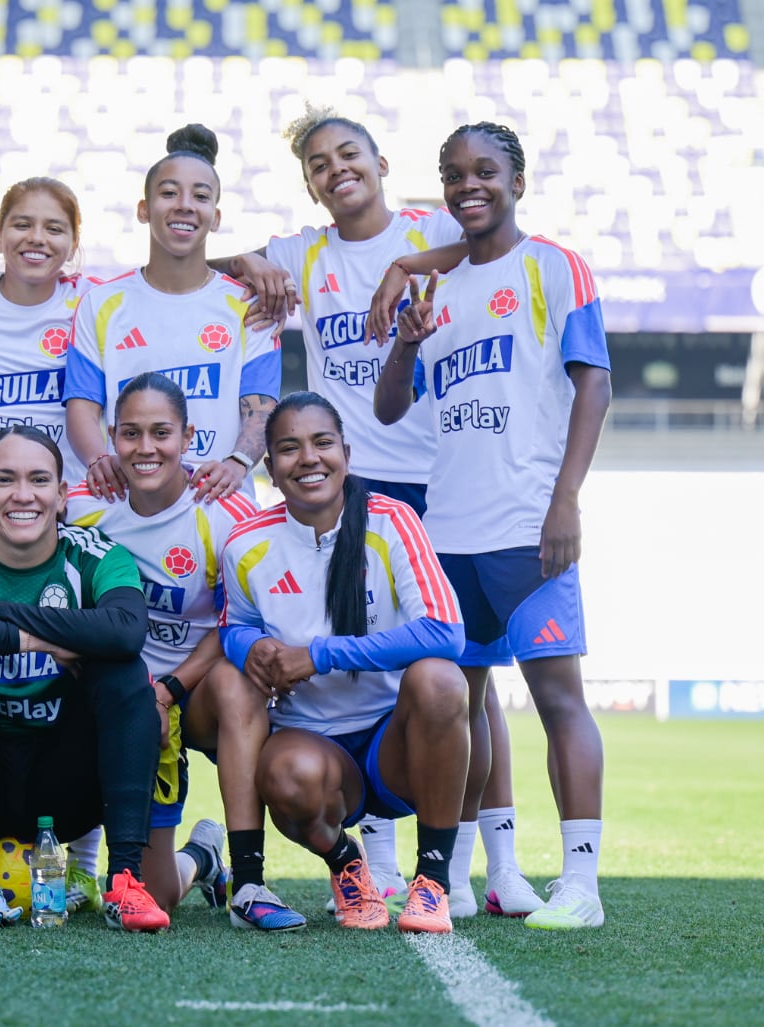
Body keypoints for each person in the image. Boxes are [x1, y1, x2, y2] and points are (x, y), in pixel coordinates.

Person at [210, 105, 538, 917]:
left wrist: (404, 268)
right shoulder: (306, 253)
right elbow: (198, 260)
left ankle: (489, 864)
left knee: (465, 678)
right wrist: (255, 263)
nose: (335, 169)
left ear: (381, 161)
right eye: (317, 163)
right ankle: (385, 863)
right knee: (359, 655)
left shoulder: (433, 225)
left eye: (347, 153)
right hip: (347, 486)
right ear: (310, 184)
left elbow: (491, 240)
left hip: (437, 482)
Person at [375, 122, 613, 930]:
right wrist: (404, 343)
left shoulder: (552, 265)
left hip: (528, 526)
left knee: (557, 700)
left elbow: (594, 386)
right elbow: (388, 407)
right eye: (451, 173)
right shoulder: (435, 291)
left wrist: (565, 497)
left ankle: (579, 885)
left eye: (483, 170)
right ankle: (465, 873)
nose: (466, 185)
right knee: (462, 705)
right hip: (447, 535)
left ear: (517, 177)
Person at [0, 425, 168, 932]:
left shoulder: (94, 554)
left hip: (63, 790)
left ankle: (127, 881)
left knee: (125, 673)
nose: (23, 495)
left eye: (40, 480)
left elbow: (128, 631)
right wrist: (32, 639)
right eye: (5, 480)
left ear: (62, 495)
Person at [64, 372, 309, 929]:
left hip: (189, 695)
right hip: (120, 700)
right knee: (159, 896)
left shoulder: (226, 513)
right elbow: (12, 529)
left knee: (236, 681)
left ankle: (249, 880)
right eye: (130, 434)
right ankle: (202, 856)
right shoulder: (80, 506)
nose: (145, 449)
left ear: (188, 436)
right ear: (111, 435)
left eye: (160, 433)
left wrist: (170, 688)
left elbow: (240, 621)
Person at [222, 393, 470, 934]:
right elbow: (233, 625)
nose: (308, 458)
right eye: (289, 448)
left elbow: (447, 632)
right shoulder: (246, 543)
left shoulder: (392, 520)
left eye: (322, 443)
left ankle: (432, 881)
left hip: (395, 741)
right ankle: (347, 865)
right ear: (269, 467)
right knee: (286, 777)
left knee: (442, 681)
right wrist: (249, 648)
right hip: (311, 737)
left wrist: (318, 655)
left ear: (347, 453)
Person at [65, 124, 280, 507]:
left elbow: (261, 407)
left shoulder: (248, 304)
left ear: (215, 216)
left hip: (219, 508)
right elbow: (83, 404)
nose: (184, 205)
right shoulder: (102, 304)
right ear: (143, 210)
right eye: (168, 193)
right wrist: (98, 459)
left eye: (200, 196)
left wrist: (239, 461)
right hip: (128, 511)